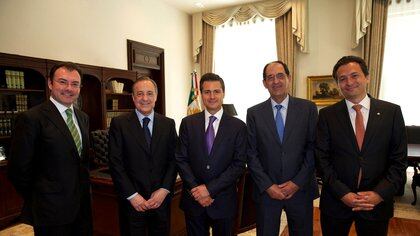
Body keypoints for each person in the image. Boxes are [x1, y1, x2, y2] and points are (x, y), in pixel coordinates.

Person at [316, 55, 407, 236]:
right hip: (336, 202)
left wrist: (379, 194)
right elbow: (321, 160)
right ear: (338, 84)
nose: (349, 82)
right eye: (342, 79)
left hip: (376, 204)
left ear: (367, 77)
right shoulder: (327, 116)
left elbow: (398, 161)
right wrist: (343, 193)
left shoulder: (392, 112)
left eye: (354, 75)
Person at [8, 62, 92, 235]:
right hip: (50, 212)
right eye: (62, 82)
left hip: (82, 208)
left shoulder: (83, 118)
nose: (69, 88)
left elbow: (81, 162)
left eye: (75, 84)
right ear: (50, 83)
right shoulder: (31, 118)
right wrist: (40, 198)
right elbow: (18, 169)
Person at [247, 60, 318, 236]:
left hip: (300, 190)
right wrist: (268, 185)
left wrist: (296, 183)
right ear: (264, 83)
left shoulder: (308, 108)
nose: (275, 81)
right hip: (267, 192)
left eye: (280, 76)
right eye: (270, 77)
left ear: (289, 78)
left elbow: (313, 148)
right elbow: (251, 153)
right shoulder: (254, 113)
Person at [176, 73, 247, 236]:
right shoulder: (188, 123)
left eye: (216, 91)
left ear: (224, 93)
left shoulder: (238, 126)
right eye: (207, 92)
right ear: (201, 94)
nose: (212, 96)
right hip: (193, 201)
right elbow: (181, 159)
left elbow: (238, 164)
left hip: (223, 201)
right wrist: (196, 190)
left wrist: (209, 189)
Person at [108, 76, 177, 236]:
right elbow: (115, 163)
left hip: (160, 201)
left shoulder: (168, 124)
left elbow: (173, 160)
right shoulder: (119, 124)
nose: (145, 98)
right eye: (139, 94)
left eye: (149, 93)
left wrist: (164, 189)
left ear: (156, 97)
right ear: (133, 97)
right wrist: (132, 195)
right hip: (132, 203)